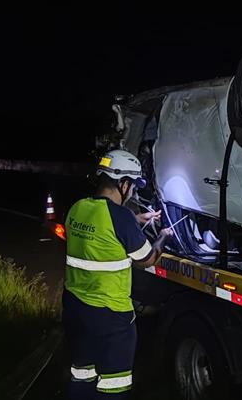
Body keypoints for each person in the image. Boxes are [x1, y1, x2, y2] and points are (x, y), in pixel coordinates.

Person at [62, 149, 172, 399]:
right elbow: (147, 259)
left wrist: (137, 218)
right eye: (132, 186)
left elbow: (103, 224)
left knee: (82, 373)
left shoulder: (77, 208)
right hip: (109, 316)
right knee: (114, 384)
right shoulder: (120, 217)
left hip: (74, 308)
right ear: (123, 183)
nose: (132, 192)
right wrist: (164, 236)